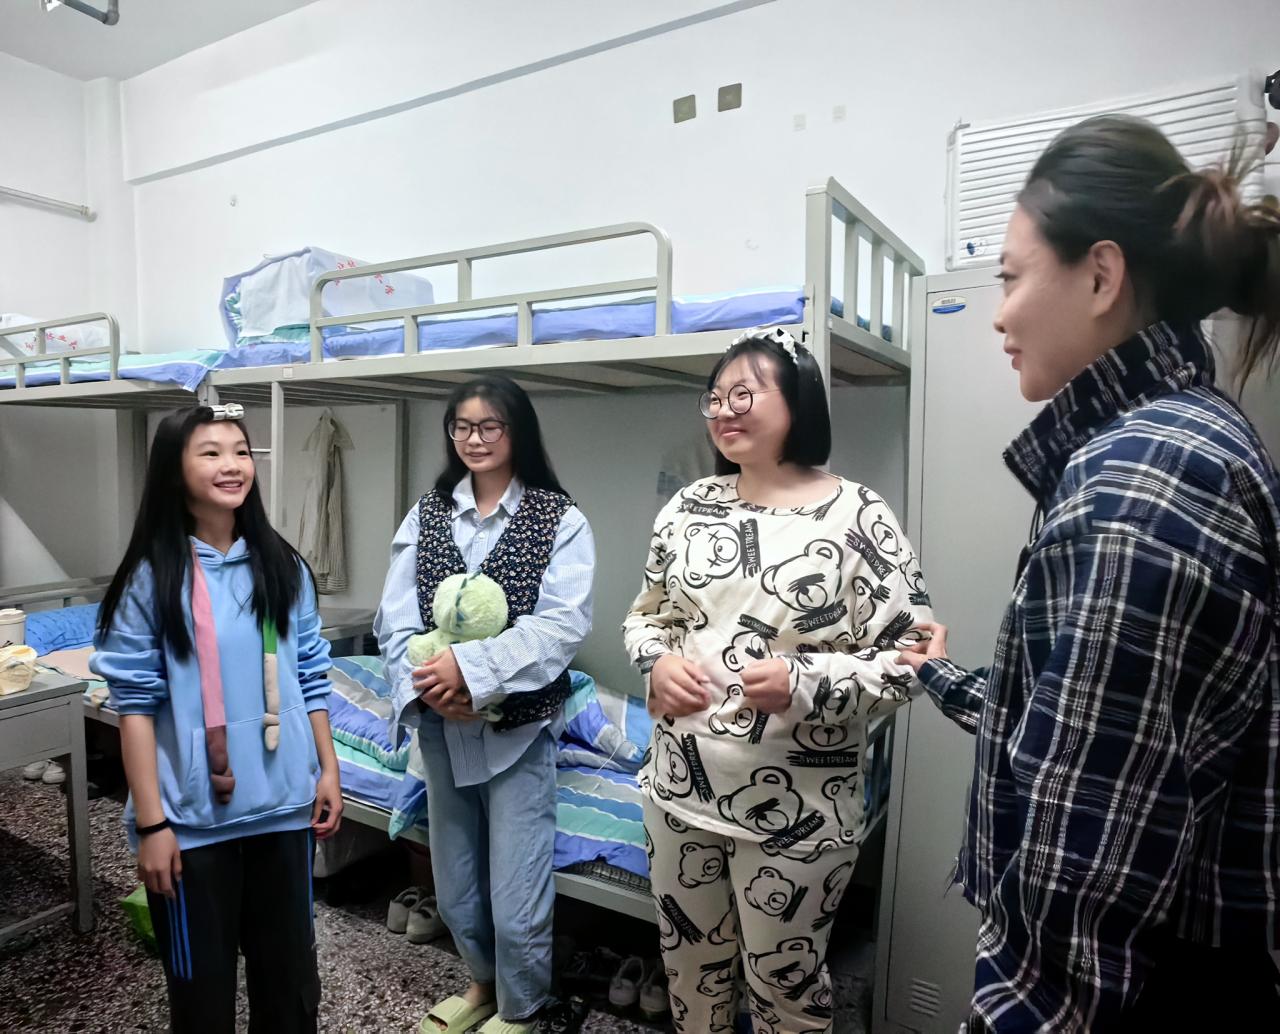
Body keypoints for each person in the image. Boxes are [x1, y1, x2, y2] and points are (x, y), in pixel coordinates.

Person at [899, 115, 1280, 1032]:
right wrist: (936, 674)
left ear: (1102, 275)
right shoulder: (1173, 442)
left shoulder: (1142, 481)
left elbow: (1078, 903)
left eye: (1011, 277)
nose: (998, 314)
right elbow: (1079, 725)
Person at [622, 326, 933, 1034]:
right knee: (689, 976)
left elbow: (914, 657)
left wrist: (804, 679)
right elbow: (646, 617)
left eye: (744, 394)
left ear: (798, 401)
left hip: (800, 818)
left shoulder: (859, 514)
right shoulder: (689, 505)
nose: (723, 410)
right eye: (715, 397)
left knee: (786, 992)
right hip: (677, 795)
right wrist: (656, 661)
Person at [91, 405, 342, 1034]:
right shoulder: (151, 578)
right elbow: (135, 708)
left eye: (240, 451)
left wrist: (327, 769)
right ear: (173, 470)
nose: (232, 465)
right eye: (210, 452)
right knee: (202, 1003)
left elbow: (311, 674)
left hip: (282, 813)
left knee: (290, 994)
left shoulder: (282, 566)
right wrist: (153, 824)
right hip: (192, 828)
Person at [375, 376, 595, 1034]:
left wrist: (473, 675)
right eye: (462, 426)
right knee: (457, 881)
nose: (474, 438)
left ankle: (521, 1007)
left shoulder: (560, 518)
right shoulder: (428, 513)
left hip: (516, 731)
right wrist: (430, 685)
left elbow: (560, 628)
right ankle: (479, 984)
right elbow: (395, 618)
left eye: (490, 425)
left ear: (516, 430)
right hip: (441, 728)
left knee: (516, 888)